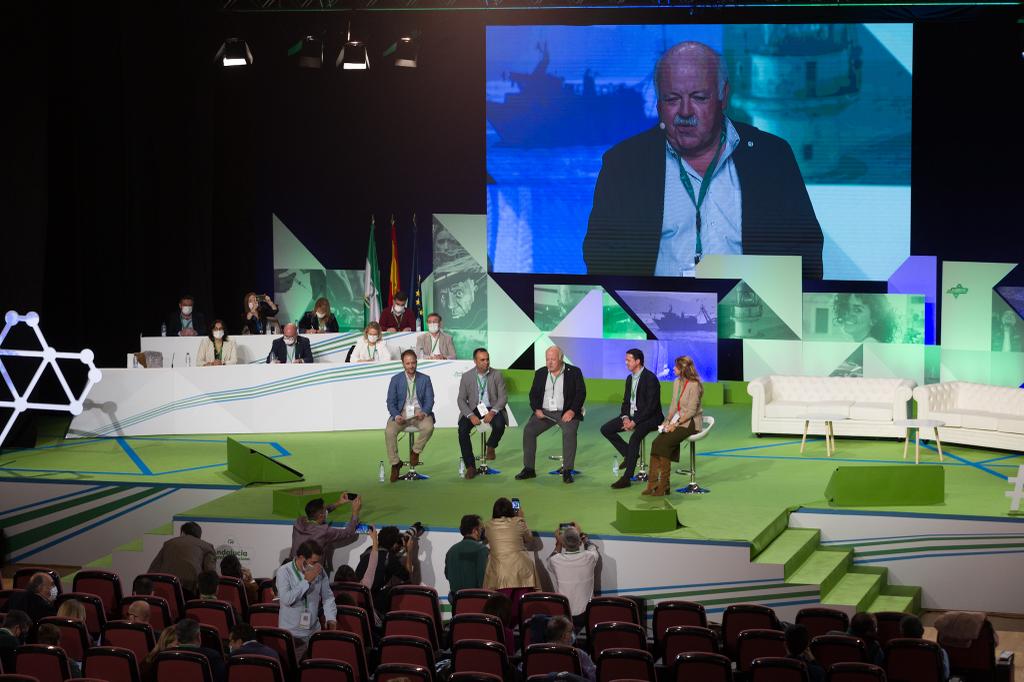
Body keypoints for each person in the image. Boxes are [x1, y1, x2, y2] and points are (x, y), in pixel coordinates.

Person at [583, 41, 823, 280]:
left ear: (723, 96)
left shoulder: (773, 157)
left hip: (748, 312)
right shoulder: (624, 163)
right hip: (652, 315)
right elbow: (601, 261)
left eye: (699, 98)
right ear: (658, 104)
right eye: (672, 99)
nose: (685, 112)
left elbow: (806, 259)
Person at [517, 346, 587, 483]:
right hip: (545, 412)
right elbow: (533, 394)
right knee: (529, 431)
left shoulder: (574, 372)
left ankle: (567, 470)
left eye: (553, 359)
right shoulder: (541, 373)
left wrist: (572, 410)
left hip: (566, 411)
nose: (549, 362)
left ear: (560, 359)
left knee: (569, 432)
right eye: (547, 359)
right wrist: (536, 409)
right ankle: (529, 469)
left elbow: (581, 393)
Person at [602, 349, 665, 489]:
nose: (626, 363)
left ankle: (627, 478)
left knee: (635, 438)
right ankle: (630, 454)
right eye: (626, 360)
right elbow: (625, 402)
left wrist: (634, 422)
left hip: (651, 418)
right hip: (631, 416)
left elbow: (651, 407)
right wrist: (625, 418)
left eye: (628, 360)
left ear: (638, 361)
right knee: (606, 429)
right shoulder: (630, 378)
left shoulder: (651, 379)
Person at [647, 355, 704, 495]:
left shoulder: (694, 385)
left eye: (676, 367)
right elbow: (673, 405)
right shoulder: (676, 383)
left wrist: (675, 424)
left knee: (665, 444)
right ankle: (652, 484)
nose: (673, 369)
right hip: (678, 420)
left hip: (689, 423)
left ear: (683, 369)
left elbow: (691, 411)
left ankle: (664, 485)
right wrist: (667, 421)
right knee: (655, 443)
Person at [276, 540, 337, 659]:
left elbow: (328, 597)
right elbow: (287, 599)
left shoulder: (320, 571)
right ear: (301, 558)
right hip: (292, 634)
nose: (316, 566)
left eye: (317, 562)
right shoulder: (284, 571)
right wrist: (306, 581)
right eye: (313, 562)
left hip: (314, 632)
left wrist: (331, 618)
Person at [456, 348, 509, 478]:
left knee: (499, 424)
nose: (486, 362)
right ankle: (470, 466)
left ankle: (491, 446)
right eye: (482, 360)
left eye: (487, 359)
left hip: (493, 407)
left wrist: (493, 412)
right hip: (474, 408)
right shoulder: (467, 376)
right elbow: (461, 399)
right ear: (475, 361)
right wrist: (470, 415)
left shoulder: (497, 375)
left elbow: (503, 397)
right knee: (462, 430)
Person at [384, 350, 435, 481]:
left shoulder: (425, 379)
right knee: (389, 431)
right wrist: (396, 416)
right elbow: (390, 402)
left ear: (416, 362)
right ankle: (396, 464)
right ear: (403, 364)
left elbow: (430, 400)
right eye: (408, 363)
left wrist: (424, 412)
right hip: (402, 412)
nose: (411, 366)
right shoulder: (395, 380)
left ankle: (415, 451)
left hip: (420, 412)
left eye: (413, 363)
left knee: (429, 427)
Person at [482, 498, 541, 608]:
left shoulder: (488, 525)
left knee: (500, 609)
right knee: (524, 608)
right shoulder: (519, 522)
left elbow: (485, 537)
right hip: (521, 571)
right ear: (511, 510)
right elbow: (529, 538)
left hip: (499, 573)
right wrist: (521, 518)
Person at [291, 493, 363, 575]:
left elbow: (320, 512)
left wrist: (339, 503)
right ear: (321, 516)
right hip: (311, 574)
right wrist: (355, 512)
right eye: (325, 510)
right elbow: (348, 532)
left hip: (293, 569)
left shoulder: (298, 522)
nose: (326, 511)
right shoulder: (324, 531)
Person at [355, 525, 420, 614]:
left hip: (357, 596)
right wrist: (409, 552)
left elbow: (382, 557)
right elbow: (408, 576)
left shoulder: (369, 550)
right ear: (394, 545)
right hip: (373, 602)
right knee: (406, 584)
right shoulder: (389, 558)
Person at [544, 523, 599, 628]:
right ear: (579, 543)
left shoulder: (555, 560)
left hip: (564, 613)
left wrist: (558, 543)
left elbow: (550, 560)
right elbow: (591, 547)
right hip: (586, 613)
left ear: (564, 544)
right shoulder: (589, 557)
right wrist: (583, 536)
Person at [147, 521, 217, 598]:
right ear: (199, 536)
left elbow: (153, 570)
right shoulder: (207, 547)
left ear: (182, 533)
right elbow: (210, 576)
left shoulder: (168, 543)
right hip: (191, 590)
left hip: (165, 588)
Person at [445, 514, 489, 602]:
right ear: (475, 531)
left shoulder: (451, 551)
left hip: (456, 601)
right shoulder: (482, 550)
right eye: (481, 529)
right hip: (476, 601)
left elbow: (447, 574)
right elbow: (484, 580)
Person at [544, 615, 596, 681]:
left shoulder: (536, 653)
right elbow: (593, 678)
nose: (573, 634)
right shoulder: (579, 654)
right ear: (564, 636)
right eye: (571, 631)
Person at [900, 614, 950, 681]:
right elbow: (945, 675)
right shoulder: (938, 652)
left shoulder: (894, 651)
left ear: (901, 632)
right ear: (923, 631)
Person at [833, 293, 898, 343]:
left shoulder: (870, 344)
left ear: (874, 319)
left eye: (857, 310)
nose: (848, 314)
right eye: (846, 307)